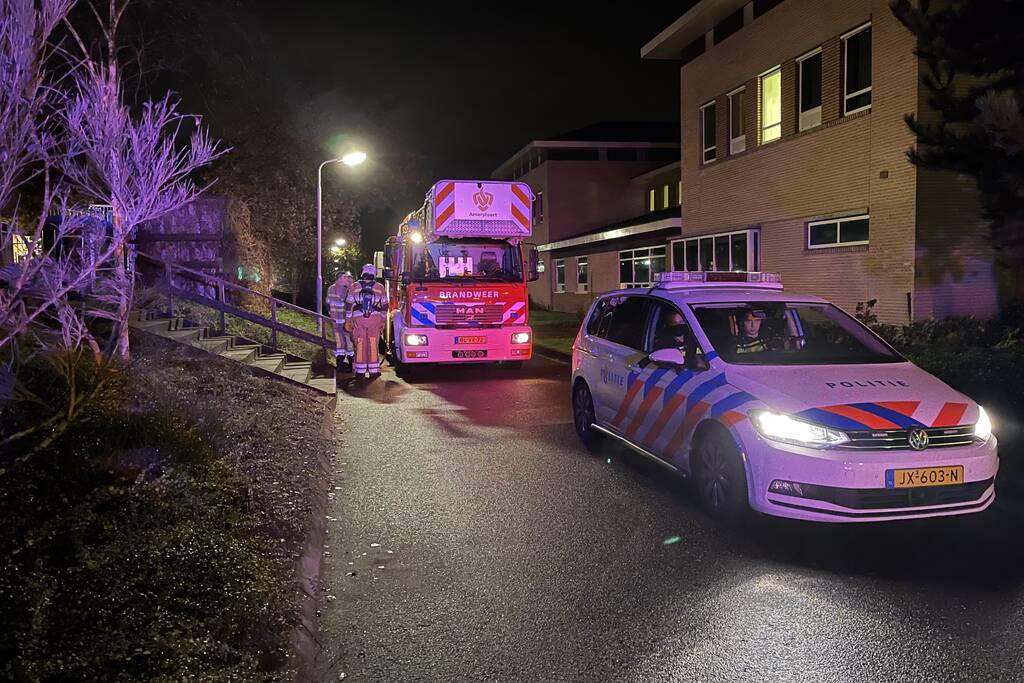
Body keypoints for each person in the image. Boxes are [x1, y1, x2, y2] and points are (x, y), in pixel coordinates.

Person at [345, 264, 388, 378]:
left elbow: (349, 305)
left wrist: (348, 320)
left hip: (358, 318)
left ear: (362, 273)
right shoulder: (379, 287)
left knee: (360, 342)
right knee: (373, 342)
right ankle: (373, 370)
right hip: (375, 319)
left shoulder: (354, 286)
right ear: (374, 274)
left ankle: (360, 371)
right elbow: (385, 306)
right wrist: (383, 321)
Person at [326, 271, 354, 371]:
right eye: (345, 277)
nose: (346, 279)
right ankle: (348, 366)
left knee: (341, 342)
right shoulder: (346, 289)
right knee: (347, 342)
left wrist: (331, 314)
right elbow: (350, 304)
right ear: (339, 278)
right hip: (344, 321)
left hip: (338, 321)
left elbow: (328, 304)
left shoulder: (331, 288)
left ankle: (341, 365)